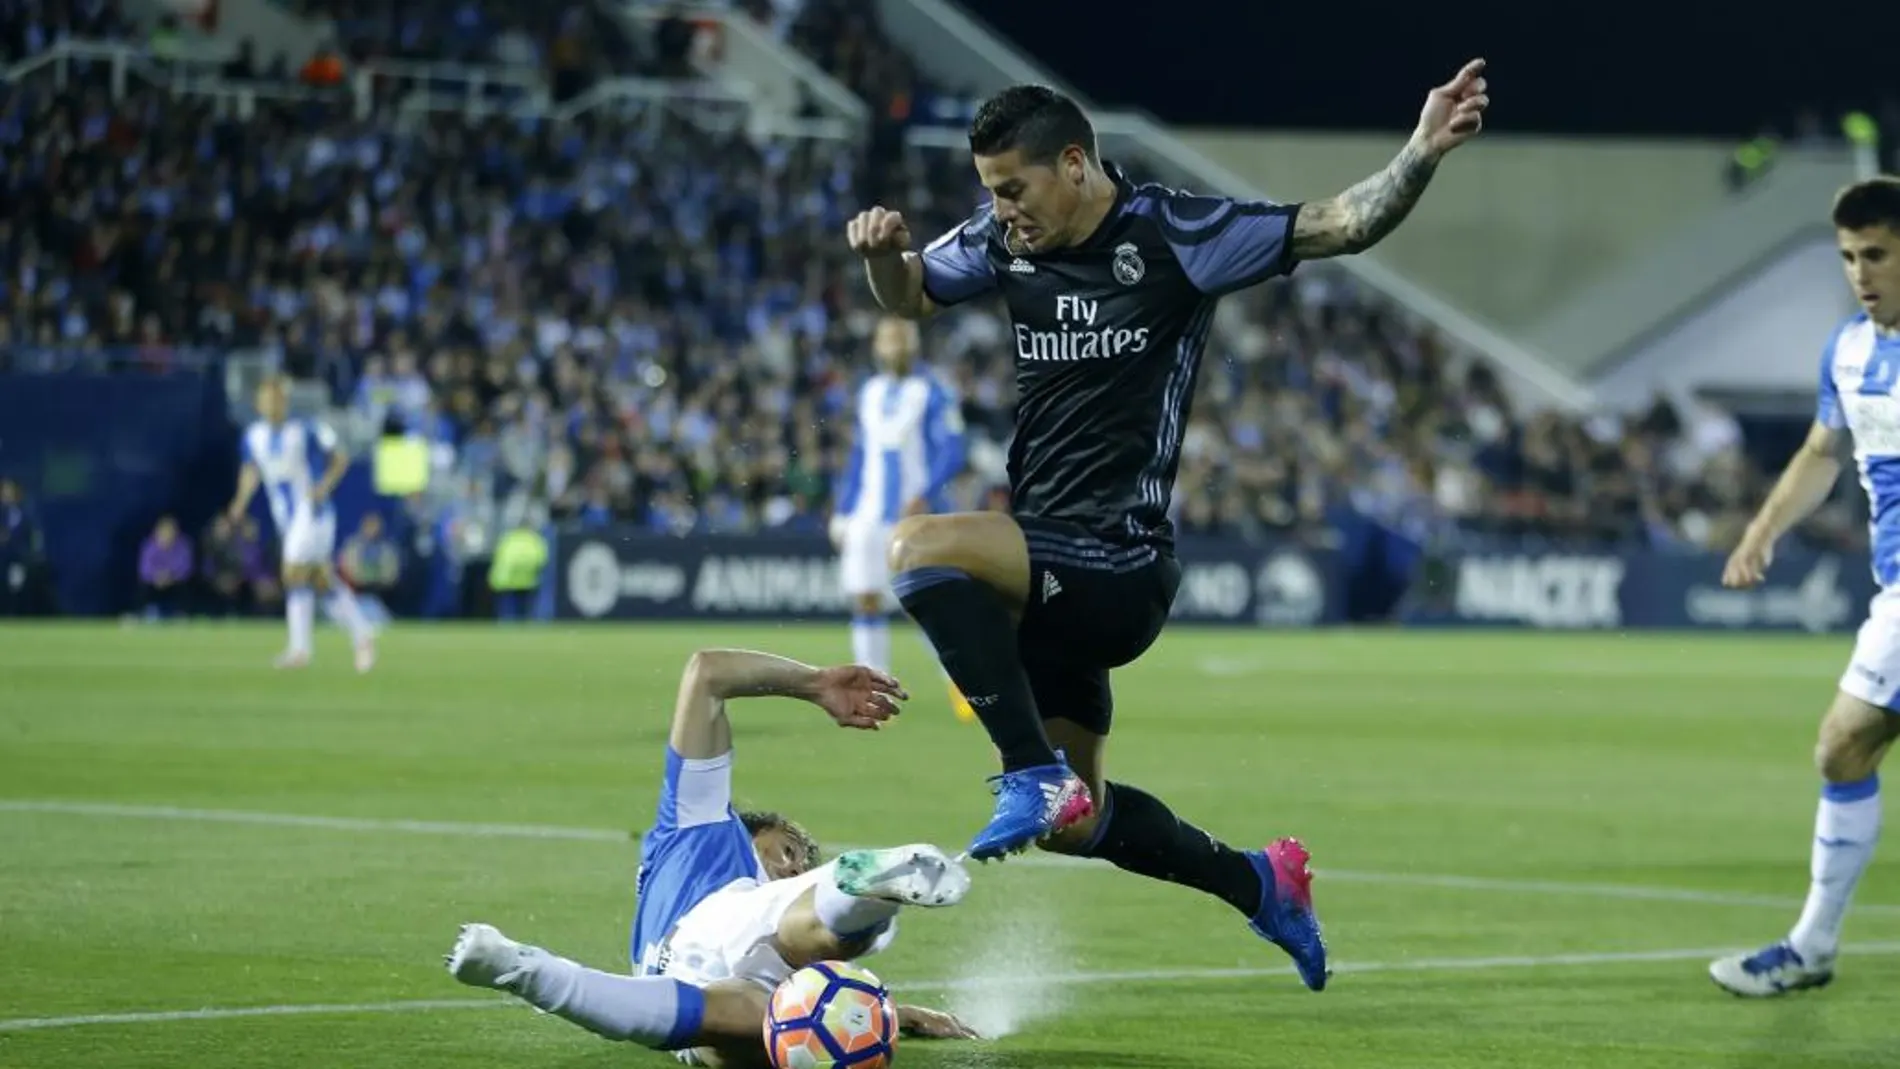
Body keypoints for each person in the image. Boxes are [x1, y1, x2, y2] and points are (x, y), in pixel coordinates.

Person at [843, 61, 1491, 991]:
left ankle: (1029, 770)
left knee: (917, 549)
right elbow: (908, 296)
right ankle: (1260, 883)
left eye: (1014, 188)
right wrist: (880, 256)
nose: (1003, 210)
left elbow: (1341, 223)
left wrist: (1422, 149)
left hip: (1122, 564)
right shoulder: (1000, 241)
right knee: (1079, 823)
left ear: (1074, 162)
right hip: (1049, 567)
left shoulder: (1178, 233)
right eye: (991, 193)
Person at [447, 649, 979, 1067]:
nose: (793, 863)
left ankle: (517, 966)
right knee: (798, 932)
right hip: (720, 924)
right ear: (753, 831)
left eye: (802, 860)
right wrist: (814, 683)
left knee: (768, 1020)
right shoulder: (700, 825)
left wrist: (894, 1014)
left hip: (716, 997)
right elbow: (707, 673)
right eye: (789, 848)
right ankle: (860, 894)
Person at [1710, 176, 1900, 997]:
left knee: (1842, 742)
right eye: (1852, 257)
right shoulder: (1849, 350)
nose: (1862, 272)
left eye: (1880, 255)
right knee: (1844, 745)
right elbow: (1824, 452)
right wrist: (1762, 529)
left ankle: (1812, 944)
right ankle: (1813, 944)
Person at [830, 315, 976, 721]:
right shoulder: (871, 392)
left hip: (914, 514)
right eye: (887, 340)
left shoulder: (933, 391)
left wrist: (924, 492)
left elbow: (953, 449)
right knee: (866, 598)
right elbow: (861, 456)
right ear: (878, 347)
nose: (894, 348)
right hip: (868, 514)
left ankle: (962, 684)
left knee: (926, 602)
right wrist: (843, 509)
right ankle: (873, 686)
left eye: (900, 340)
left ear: (912, 346)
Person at [226, 377, 378, 671]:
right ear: (258, 404)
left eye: (277, 399)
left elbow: (340, 458)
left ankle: (301, 649)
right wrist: (240, 502)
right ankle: (361, 635)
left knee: (293, 571)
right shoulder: (253, 436)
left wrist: (324, 486)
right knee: (319, 580)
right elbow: (250, 470)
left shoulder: (306, 429)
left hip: (314, 512)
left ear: (285, 401)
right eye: (266, 400)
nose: (272, 405)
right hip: (287, 517)